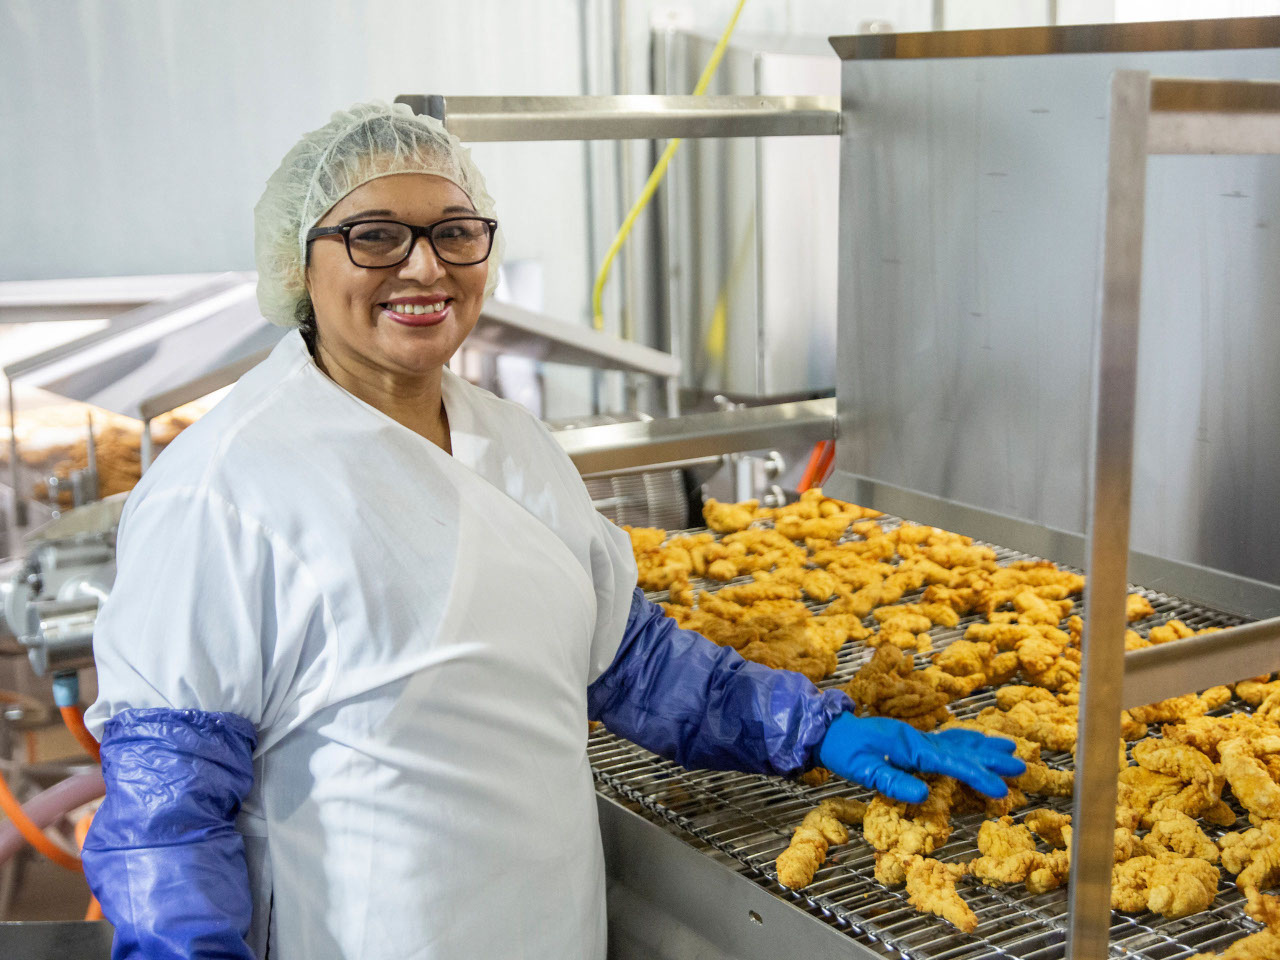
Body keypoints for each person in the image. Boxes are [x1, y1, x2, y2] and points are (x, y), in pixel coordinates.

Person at [82, 101, 1023, 960]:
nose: (424, 267)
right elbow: (168, 815)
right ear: (300, 264)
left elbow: (631, 664)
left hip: (550, 928)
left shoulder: (514, 444)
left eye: (455, 233)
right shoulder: (226, 488)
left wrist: (813, 728)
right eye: (375, 237)